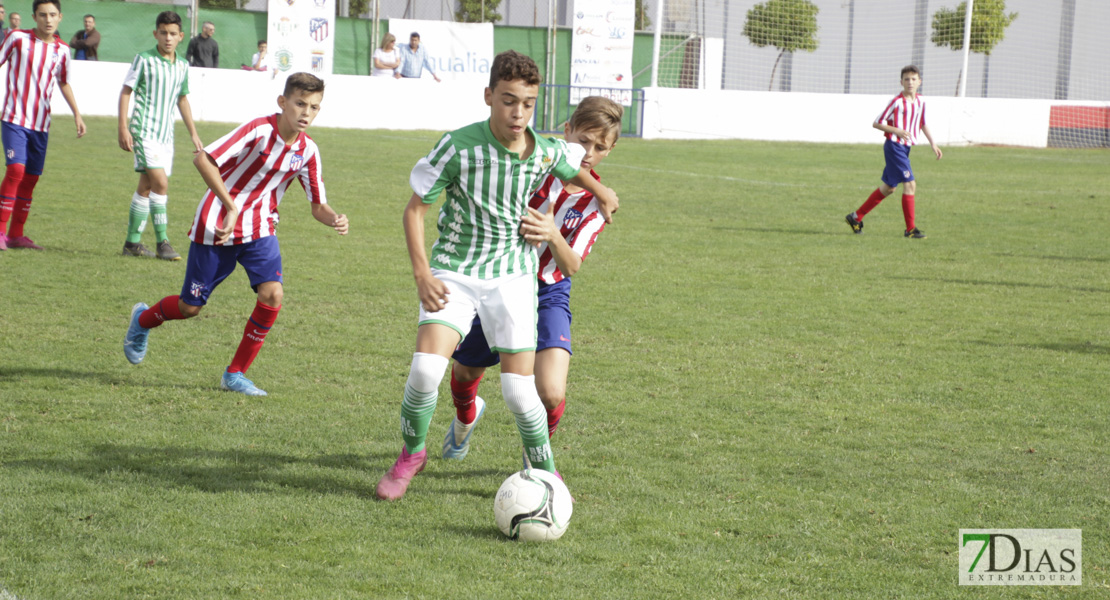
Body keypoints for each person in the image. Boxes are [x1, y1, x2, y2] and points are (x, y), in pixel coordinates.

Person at [375, 50, 619, 502]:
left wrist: (602, 190)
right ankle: (412, 454)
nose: (518, 112)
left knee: (518, 391)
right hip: (455, 270)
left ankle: (544, 469)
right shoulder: (457, 146)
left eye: (527, 103)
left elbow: (574, 167)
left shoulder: (544, 151)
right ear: (489, 96)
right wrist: (422, 273)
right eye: (508, 101)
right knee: (426, 370)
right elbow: (415, 210)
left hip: (513, 278)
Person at [122, 72, 348, 397]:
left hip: (260, 229)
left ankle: (235, 373)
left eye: (313, 107)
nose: (305, 113)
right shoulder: (258, 130)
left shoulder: (308, 151)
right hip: (217, 224)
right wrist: (230, 205)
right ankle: (143, 320)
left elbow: (318, 206)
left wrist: (335, 218)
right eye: (300, 104)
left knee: (273, 295)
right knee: (190, 307)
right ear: (283, 102)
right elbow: (204, 158)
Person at [443, 96, 623, 466]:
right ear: (566, 131)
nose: (588, 153)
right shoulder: (536, 164)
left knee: (552, 393)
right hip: (503, 278)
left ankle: (535, 463)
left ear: (610, 150)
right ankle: (465, 417)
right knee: (463, 371)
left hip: (549, 292)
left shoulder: (596, 204)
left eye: (600, 147)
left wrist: (554, 233)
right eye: (583, 140)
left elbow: (571, 265)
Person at [0, 0, 86, 252]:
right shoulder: (17, 38)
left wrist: (77, 115)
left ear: (60, 17)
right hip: (13, 118)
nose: (47, 20)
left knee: (31, 178)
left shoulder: (62, 50)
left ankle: (16, 235)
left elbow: (64, 83)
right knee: (15, 170)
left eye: (52, 15)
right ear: (34, 17)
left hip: (41, 124)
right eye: (42, 15)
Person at [118, 10, 204, 260]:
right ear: (155, 33)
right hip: (143, 131)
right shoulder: (144, 59)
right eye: (163, 33)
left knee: (146, 186)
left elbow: (182, 99)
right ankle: (162, 242)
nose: (168, 38)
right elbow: (126, 92)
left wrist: (194, 134)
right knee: (161, 184)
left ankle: (131, 244)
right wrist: (123, 127)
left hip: (166, 135)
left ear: (181, 36)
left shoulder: (183, 65)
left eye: (173, 33)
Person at [845, 65, 942, 239]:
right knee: (910, 184)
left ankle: (856, 217)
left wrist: (933, 143)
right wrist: (896, 130)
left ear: (920, 81)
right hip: (894, 146)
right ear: (901, 82)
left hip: (905, 148)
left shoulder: (921, 101)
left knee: (889, 188)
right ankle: (910, 229)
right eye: (906, 79)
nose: (910, 82)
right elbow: (877, 122)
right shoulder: (897, 102)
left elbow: (922, 122)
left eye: (913, 79)